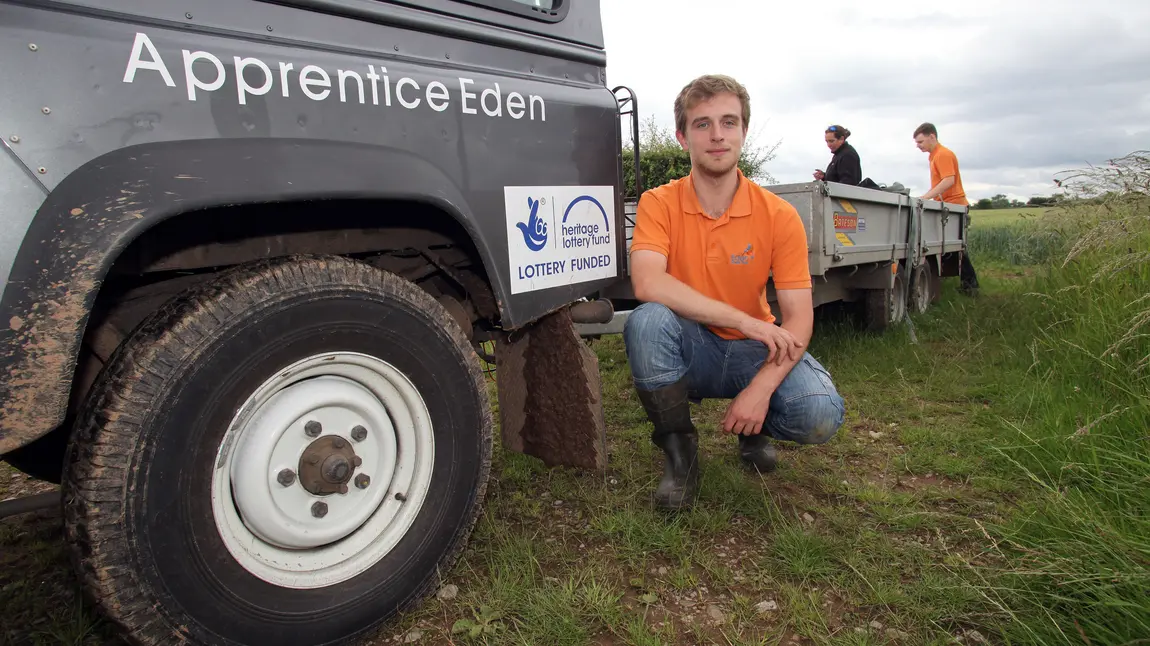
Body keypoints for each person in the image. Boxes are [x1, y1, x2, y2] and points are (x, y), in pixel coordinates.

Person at [623, 74, 847, 511]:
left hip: (753, 350)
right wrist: (742, 319)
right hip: (694, 347)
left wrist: (761, 387)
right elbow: (647, 282)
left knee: (818, 415)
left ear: (744, 130)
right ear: (682, 136)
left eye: (729, 122)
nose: (717, 135)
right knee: (646, 322)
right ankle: (680, 455)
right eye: (702, 124)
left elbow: (799, 319)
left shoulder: (778, 215)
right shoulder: (658, 202)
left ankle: (753, 429)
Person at [913, 122, 979, 294]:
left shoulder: (942, 154)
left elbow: (949, 180)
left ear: (932, 137)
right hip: (948, 205)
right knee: (952, 249)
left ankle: (970, 286)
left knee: (956, 249)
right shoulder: (934, 155)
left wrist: (926, 197)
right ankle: (967, 285)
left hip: (954, 205)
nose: (918, 146)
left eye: (920, 142)